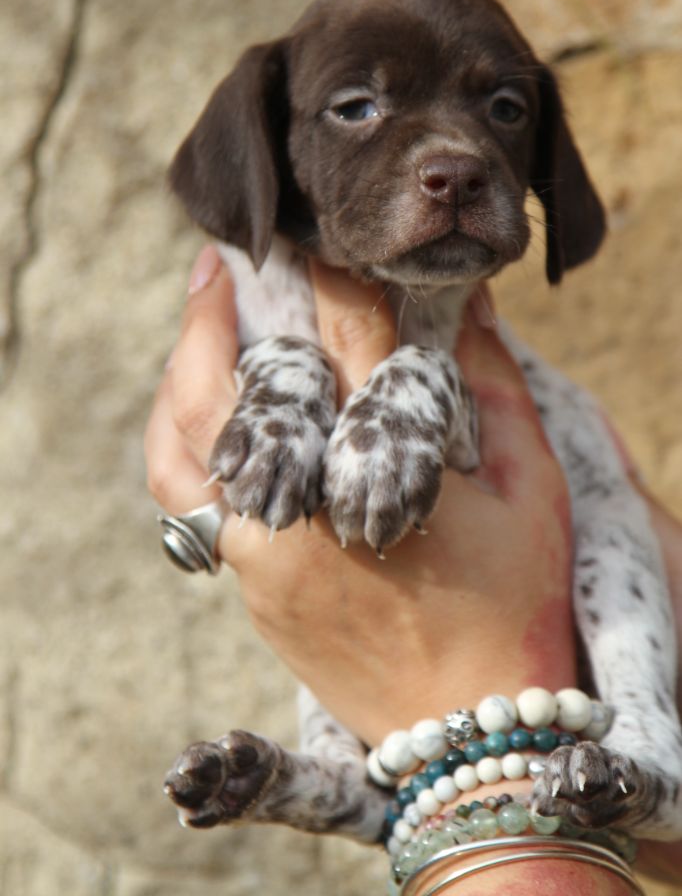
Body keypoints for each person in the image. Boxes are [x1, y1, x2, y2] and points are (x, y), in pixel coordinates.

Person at [145, 245, 682, 894]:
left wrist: (419, 380)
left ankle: (652, 757)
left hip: (578, 648)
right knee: (340, 579)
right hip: (484, 709)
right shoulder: (261, 270)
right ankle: (340, 772)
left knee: (603, 523)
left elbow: (475, 455)